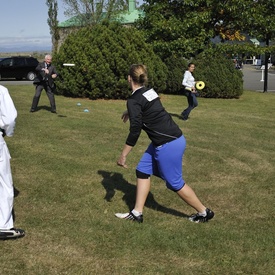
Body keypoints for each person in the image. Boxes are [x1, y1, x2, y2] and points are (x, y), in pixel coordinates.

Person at [115, 64, 214, 223]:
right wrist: (131, 112)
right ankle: (137, 213)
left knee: (174, 183)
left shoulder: (134, 100)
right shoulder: (149, 91)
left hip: (168, 143)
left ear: (129, 78)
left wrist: (123, 155)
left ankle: (204, 212)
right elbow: (151, 106)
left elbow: (135, 131)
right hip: (171, 139)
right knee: (142, 170)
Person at [0, 85, 25, 240]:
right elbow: (9, 118)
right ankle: (3, 225)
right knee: (4, 182)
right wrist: (7, 133)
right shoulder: (1, 90)